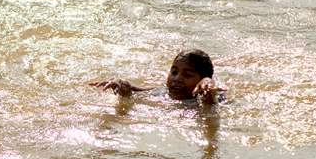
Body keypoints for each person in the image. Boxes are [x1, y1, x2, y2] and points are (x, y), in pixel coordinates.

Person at [90, 49, 225, 105]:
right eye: (174, 72)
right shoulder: (164, 92)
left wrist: (208, 83)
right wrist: (122, 86)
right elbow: (134, 91)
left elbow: (210, 100)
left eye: (187, 75)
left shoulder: (205, 98)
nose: (177, 78)